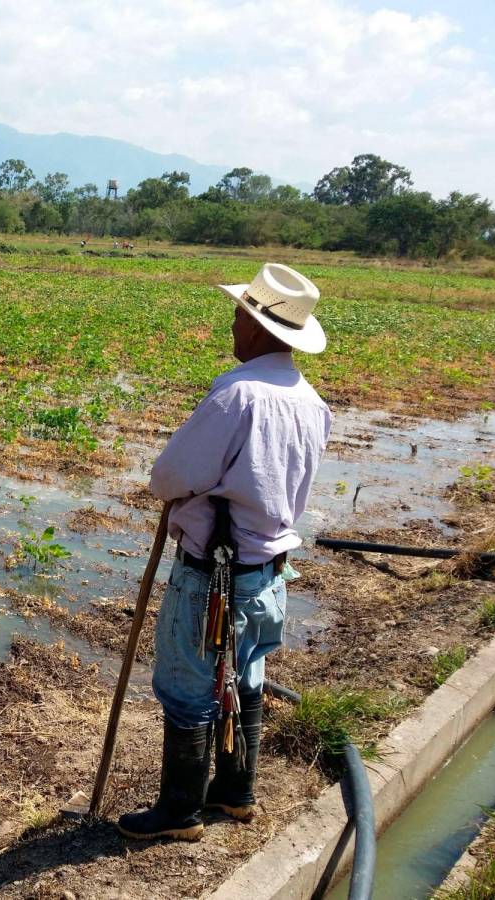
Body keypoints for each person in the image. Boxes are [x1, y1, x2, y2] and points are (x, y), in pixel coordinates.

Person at [118, 262, 333, 842]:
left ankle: (180, 815)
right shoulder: (310, 401)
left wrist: (186, 490)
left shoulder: (237, 395)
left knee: (191, 688)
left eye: (240, 316)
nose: (233, 326)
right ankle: (236, 794)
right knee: (247, 676)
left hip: (212, 576)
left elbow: (171, 476)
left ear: (263, 329)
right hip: (268, 573)